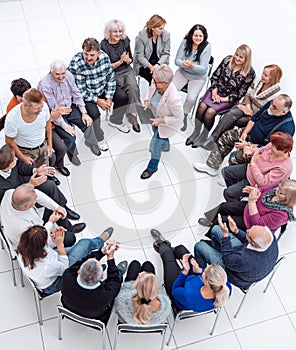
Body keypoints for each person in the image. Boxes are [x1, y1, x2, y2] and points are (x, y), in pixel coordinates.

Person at [194, 94, 295, 176]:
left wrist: (247, 145)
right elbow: (254, 118)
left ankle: (227, 176)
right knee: (226, 137)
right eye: (272, 103)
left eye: (274, 107)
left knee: (235, 157)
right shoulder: (271, 105)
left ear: (283, 112)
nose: (270, 107)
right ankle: (212, 166)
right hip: (250, 134)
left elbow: (269, 148)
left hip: (259, 148)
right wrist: (245, 133)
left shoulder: (286, 128)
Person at [186, 44, 255, 148]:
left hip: (229, 98)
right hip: (216, 89)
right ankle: (196, 132)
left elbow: (241, 93)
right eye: (236, 54)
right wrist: (214, 91)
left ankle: (204, 135)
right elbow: (215, 76)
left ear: (246, 59)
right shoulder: (227, 60)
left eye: (241, 57)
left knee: (210, 112)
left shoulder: (250, 73)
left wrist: (224, 99)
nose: (237, 58)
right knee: (202, 106)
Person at [201, 64, 283, 150]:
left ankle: (220, 143)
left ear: (273, 78)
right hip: (246, 106)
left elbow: (265, 111)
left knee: (237, 121)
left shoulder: (275, 95)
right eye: (263, 73)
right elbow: (247, 94)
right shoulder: (258, 80)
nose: (262, 76)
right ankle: (212, 140)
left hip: (255, 116)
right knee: (231, 114)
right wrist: (247, 106)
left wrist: (251, 113)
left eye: (266, 75)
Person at [68, 37, 130, 150]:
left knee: (123, 98)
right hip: (87, 94)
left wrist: (109, 97)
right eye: (86, 54)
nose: (88, 58)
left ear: (98, 52)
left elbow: (111, 78)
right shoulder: (76, 63)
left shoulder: (104, 57)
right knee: (95, 115)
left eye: (92, 55)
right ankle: (99, 137)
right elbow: (79, 90)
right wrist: (97, 100)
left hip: (102, 88)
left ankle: (115, 120)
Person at [16, 225, 113, 296]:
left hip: (50, 263)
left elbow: (42, 242)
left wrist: (53, 231)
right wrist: (59, 244)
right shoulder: (48, 265)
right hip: (54, 283)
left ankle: (90, 264)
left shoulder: (23, 248)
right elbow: (64, 268)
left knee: (80, 249)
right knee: (84, 243)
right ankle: (99, 244)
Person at [150, 229, 231, 312]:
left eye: (205, 271)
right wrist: (199, 270)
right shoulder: (225, 286)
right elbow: (204, 275)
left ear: (206, 281)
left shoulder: (190, 294)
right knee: (181, 249)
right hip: (192, 281)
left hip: (179, 291)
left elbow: (175, 290)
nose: (203, 270)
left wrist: (185, 272)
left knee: (168, 258)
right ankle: (168, 248)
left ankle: (162, 245)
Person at [194, 215, 279, 289]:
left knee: (199, 246)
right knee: (216, 229)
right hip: (252, 263)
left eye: (248, 234)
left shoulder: (244, 259)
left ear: (254, 245)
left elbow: (227, 259)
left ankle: (200, 275)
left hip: (236, 274)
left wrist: (225, 236)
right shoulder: (270, 238)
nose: (247, 230)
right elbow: (249, 240)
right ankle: (217, 248)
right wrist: (236, 231)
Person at [0, 145, 80, 222]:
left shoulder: (8, 160)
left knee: (50, 185)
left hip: (23, 182)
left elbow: (20, 167)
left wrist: (36, 170)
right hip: (18, 198)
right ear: (7, 167)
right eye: (14, 159)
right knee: (46, 200)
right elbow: (14, 199)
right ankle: (62, 221)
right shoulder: (1, 186)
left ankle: (63, 207)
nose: (16, 159)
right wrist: (31, 184)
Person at [0, 183, 86, 249]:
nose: (36, 201)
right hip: (31, 243)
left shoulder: (10, 193)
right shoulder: (22, 226)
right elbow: (40, 239)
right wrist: (51, 222)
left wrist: (57, 207)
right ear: (26, 206)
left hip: (37, 226)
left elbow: (36, 194)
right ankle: (68, 233)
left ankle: (68, 228)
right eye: (35, 201)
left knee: (54, 208)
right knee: (71, 238)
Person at [61, 239, 127, 324]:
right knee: (117, 276)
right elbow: (114, 280)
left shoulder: (67, 276)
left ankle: (96, 270)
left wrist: (101, 252)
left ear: (79, 271)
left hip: (69, 307)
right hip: (95, 316)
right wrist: (110, 258)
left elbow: (81, 262)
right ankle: (118, 270)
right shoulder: (105, 295)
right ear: (102, 277)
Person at [199, 179, 296, 235]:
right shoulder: (278, 188)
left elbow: (258, 224)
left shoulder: (282, 215)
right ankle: (209, 219)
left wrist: (252, 202)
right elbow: (263, 189)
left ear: (288, 198)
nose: (276, 190)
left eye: (280, 192)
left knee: (224, 221)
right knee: (223, 206)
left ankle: (211, 232)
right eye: (278, 187)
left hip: (250, 224)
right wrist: (255, 190)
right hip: (249, 207)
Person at [222, 131, 293, 201]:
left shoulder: (284, 168)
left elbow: (263, 183)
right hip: (250, 170)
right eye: (272, 145)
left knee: (228, 193)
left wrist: (253, 164)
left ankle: (236, 205)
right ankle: (238, 194)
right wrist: (252, 151)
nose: (272, 148)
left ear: (285, 151)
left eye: (275, 148)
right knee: (225, 172)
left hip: (255, 183)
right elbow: (262, 149)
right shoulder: (273, 145)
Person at [140, 64, 183, 179]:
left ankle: (152, 167)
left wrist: (162, 120)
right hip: (154, 117)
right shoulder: (156, 84)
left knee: (154, 146)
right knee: (157, 132)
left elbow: (179, 118)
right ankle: (166, 145)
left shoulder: (174, 99)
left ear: (166, 83)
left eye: (156, 82)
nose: (153, 83)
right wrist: (146, 101)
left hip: (164, 123)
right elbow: (150, 91)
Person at [101, 19, 141, 133]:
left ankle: (133, 115)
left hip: (126, 69)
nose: (118, 34)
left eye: (120, 31)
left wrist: (128, 60)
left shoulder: (125, 40)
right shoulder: (103, 45)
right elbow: (106, 67)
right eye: (115, 32)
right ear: (109, 32)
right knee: (124, 92)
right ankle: (124, 113)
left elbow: (130, 59)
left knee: (133, 88)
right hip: (112, 73)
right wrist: (120, 61)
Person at [172, 24, 211, 131]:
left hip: (198, 77)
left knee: (191, 98)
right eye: (195, 35)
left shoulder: (207, 47)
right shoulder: (185, 42)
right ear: (191, 35)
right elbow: (177, 61)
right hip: (183, 72)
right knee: (171, 91)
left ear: (204, 37)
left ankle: (184, 115)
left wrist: (192, 66)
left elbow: (203, 69)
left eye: (200, 36)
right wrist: (184, 64)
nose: (198, 38)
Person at [4, 88, 52, 168]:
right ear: (25, 105)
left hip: (43, 145)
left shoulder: (44, 107)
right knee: (30, 172)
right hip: (26, 151)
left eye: (41, 106)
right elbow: (9, 140)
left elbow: (48, 124)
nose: (40, 110)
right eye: (36, 108)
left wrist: (50, 144)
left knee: (44, 167)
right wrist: (22, 157)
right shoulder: (12, 119)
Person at [114, 260, 171, 325]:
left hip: (129, 322)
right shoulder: (165, 306)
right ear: (157, 291)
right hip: (152, 324)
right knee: (148, 265)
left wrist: (136, 281)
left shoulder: (123, 301)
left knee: (135, 264)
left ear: (137, 288)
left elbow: (123, 291)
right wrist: (150, 284)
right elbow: (161, 293)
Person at [134, 14, 170, 85]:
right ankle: (152, 95)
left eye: (163, 28)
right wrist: (151, 67)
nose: (163, 30)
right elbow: (140, 57)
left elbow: (166, 53)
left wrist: (157, 65)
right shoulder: (141, 36)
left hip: (159, 62)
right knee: (155, 79)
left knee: (166, 78)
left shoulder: (166, 35)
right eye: (160, 28)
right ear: (153, 28)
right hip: (144, 64)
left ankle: (162, 94)